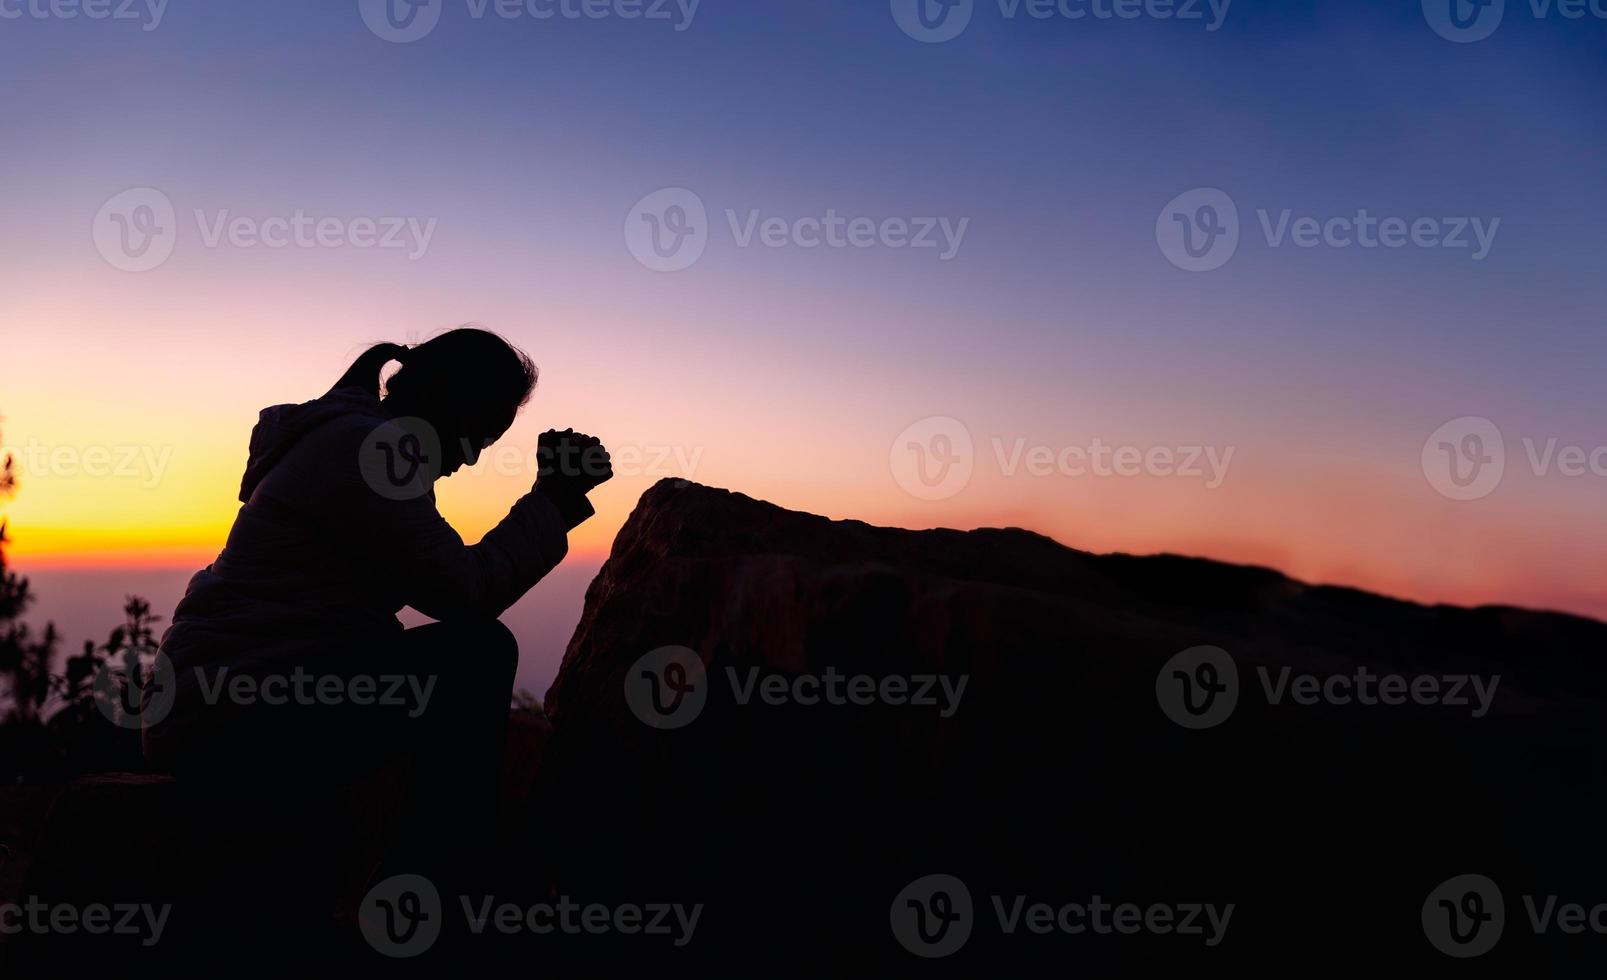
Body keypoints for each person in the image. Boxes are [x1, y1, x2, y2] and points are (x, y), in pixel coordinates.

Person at [141, 327, 610, 899]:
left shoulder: (353, 440)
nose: (467, 462)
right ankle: (432, 894)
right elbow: (465, 593)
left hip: (217, 698)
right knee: (476, 655)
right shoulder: (370, 452)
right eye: (474, 437)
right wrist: (553, 499)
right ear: (440, 398)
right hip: (227, 711)